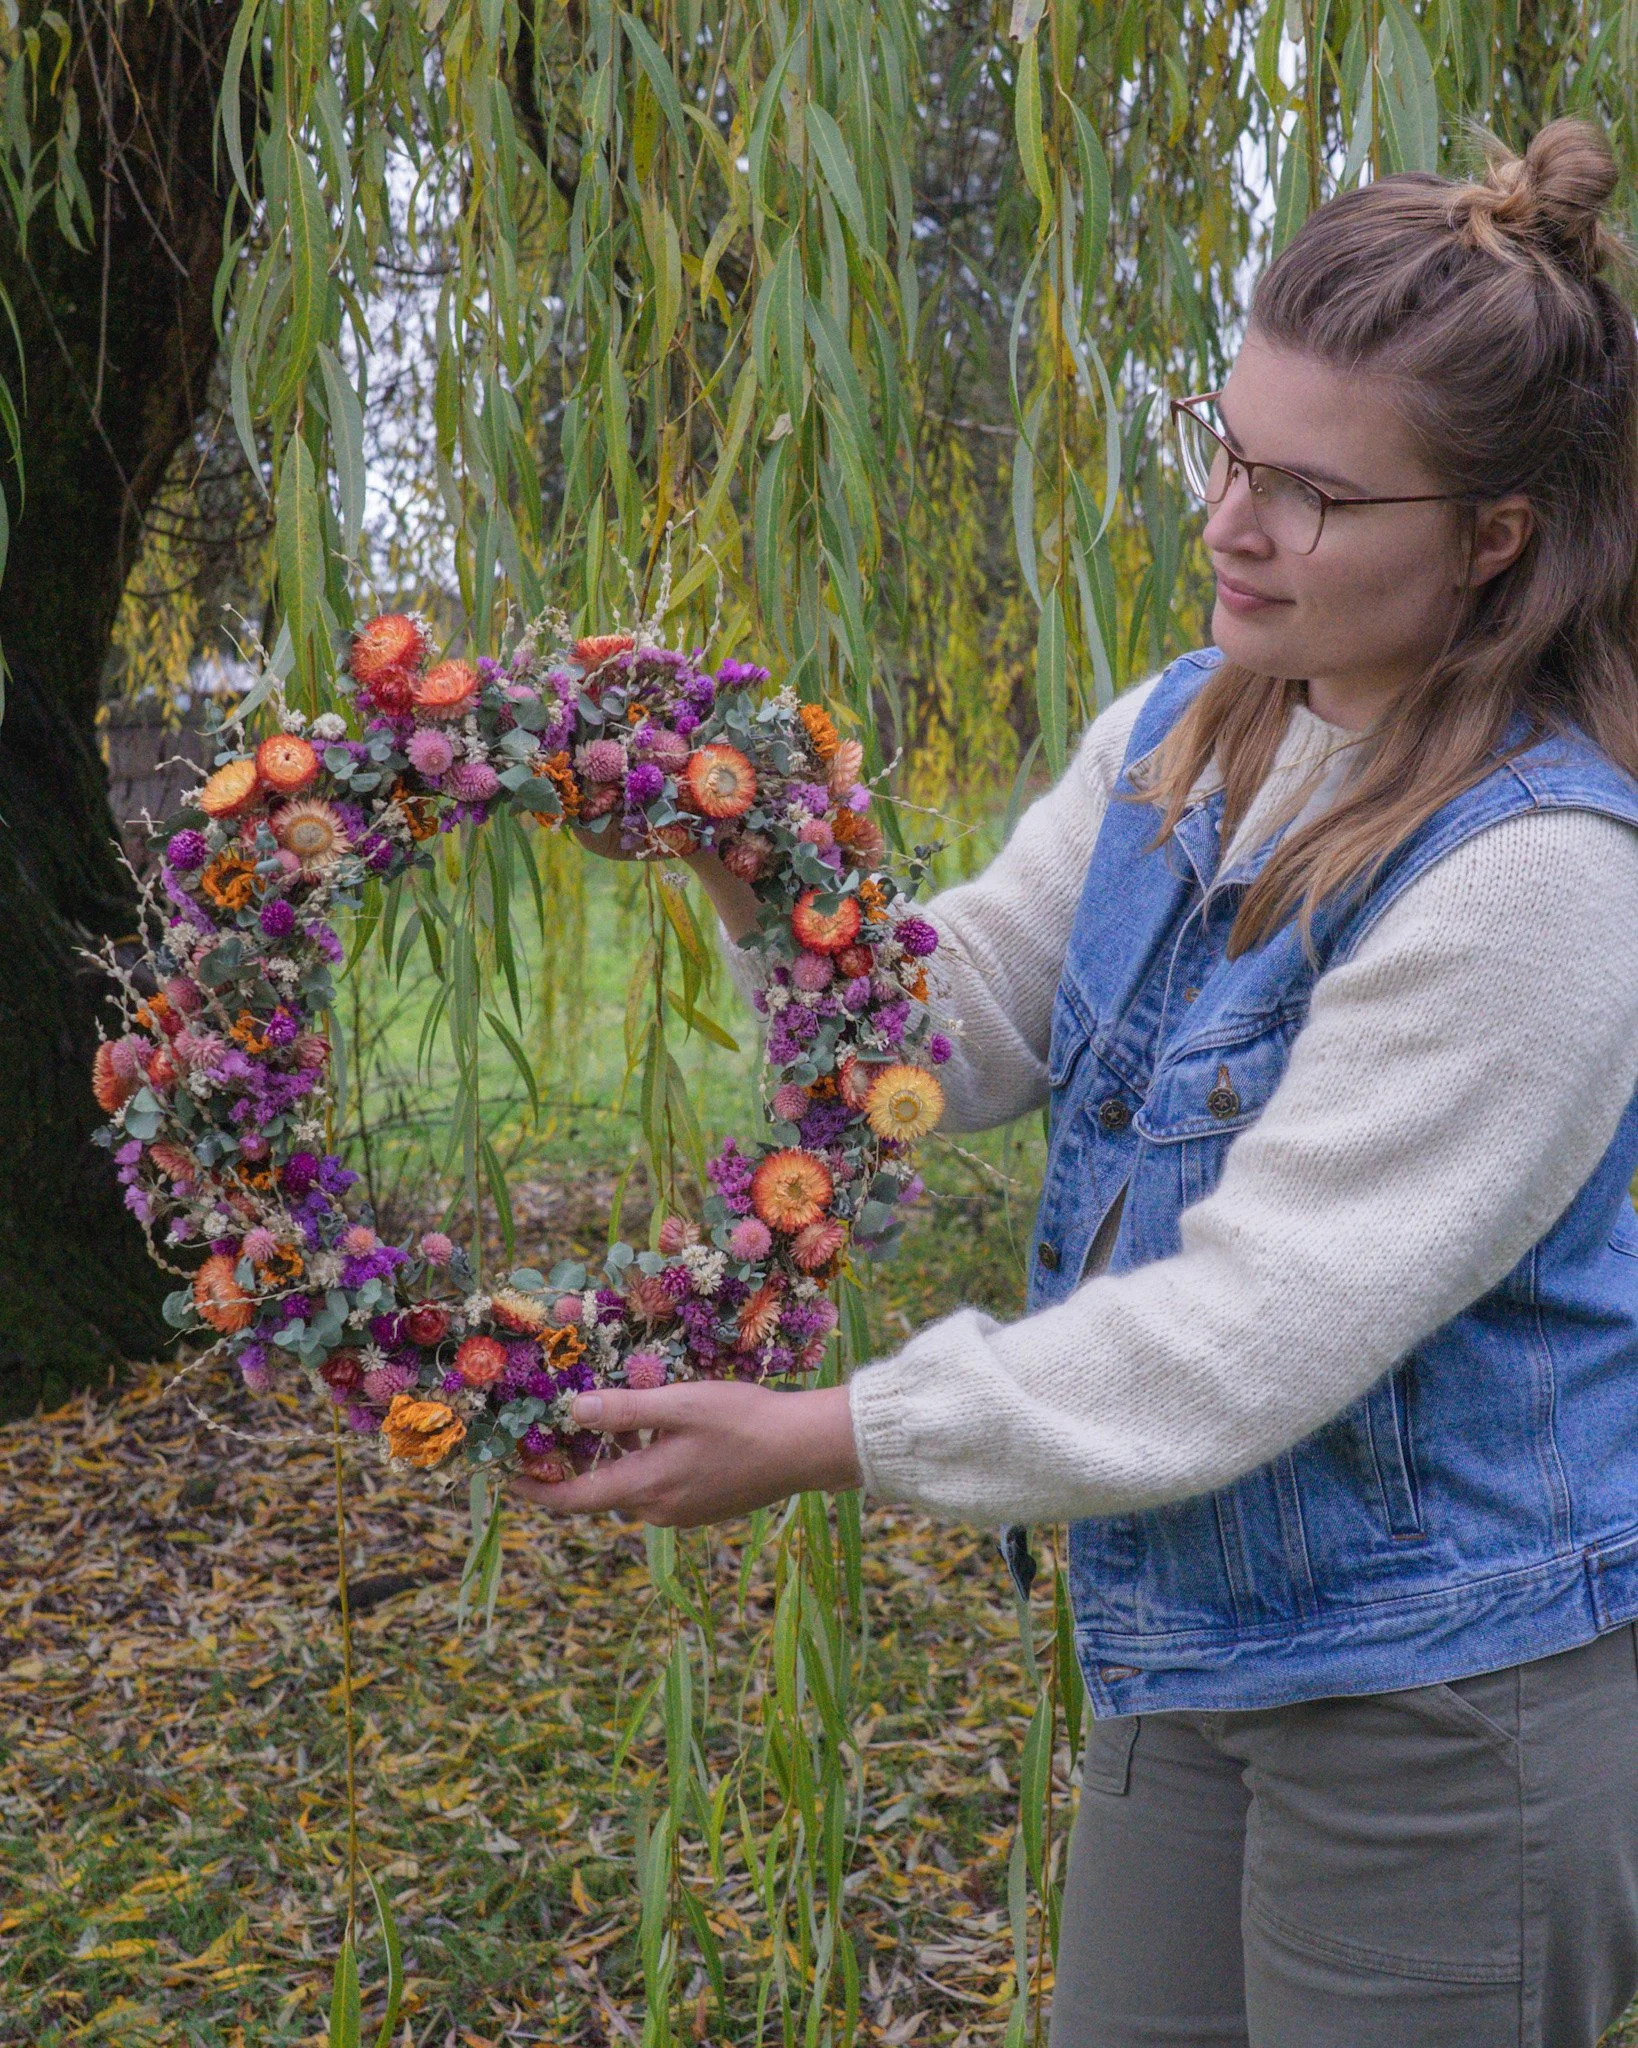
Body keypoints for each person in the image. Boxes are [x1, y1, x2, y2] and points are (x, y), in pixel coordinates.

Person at [515, 118, 1638, 2045]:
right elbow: (950, 1033)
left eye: (1308, 493)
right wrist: (748, 857)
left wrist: (823, 1436)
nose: (1230, 525)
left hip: (1453, 1695)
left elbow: (1241, 1331)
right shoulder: (1182, 737)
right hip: (1188, 1640)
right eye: (1225, 452)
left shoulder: (1538, 879)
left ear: (1491, 540)